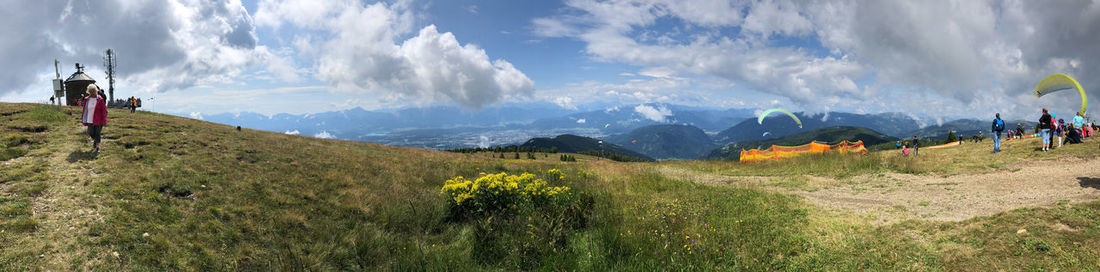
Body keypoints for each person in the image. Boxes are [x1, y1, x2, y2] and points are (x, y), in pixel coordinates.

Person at [81, 84, 108, 153]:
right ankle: (95, 141)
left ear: (96, 91)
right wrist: (83, 117)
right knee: (90, 132)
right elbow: (85, 109)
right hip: (89, 119)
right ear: (89, 92)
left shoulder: (100, 99)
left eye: (94, 91)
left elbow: (104, 110)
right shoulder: (87, 99)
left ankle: (98, 147)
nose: (93, 93)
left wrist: (104, 120)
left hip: (99, 120)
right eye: (91, 91)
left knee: (97, 133)